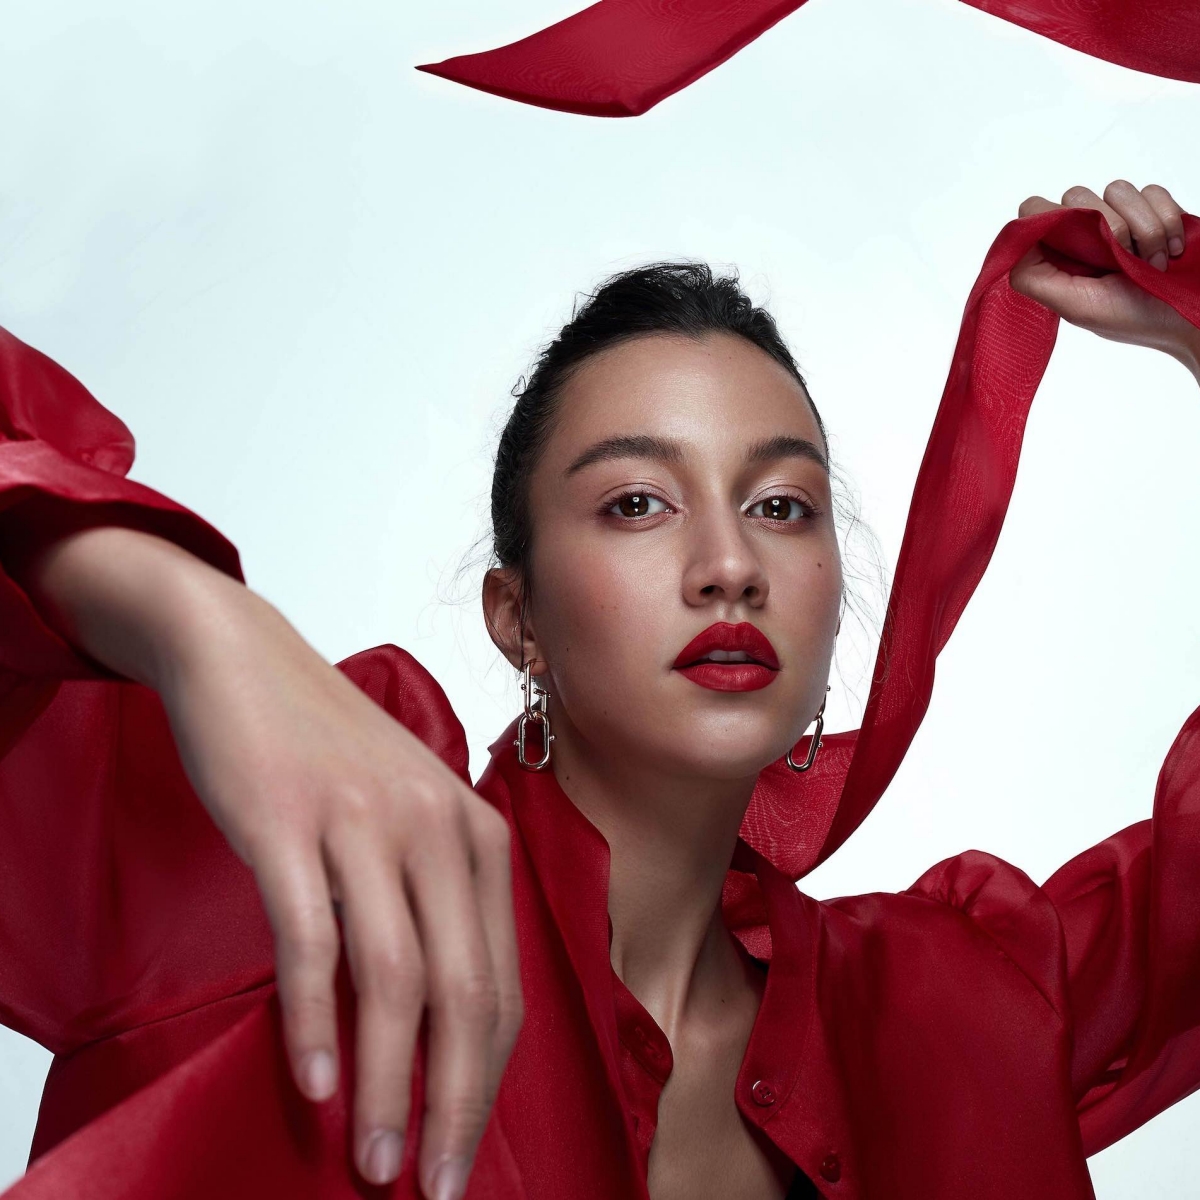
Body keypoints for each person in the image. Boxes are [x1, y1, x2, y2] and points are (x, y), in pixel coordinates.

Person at [0, 179, 1197, 1200]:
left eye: (782, 507)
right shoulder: (301, 882)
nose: (730, 565)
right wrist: (195, 618)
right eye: (636, 503)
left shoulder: (953, 1006)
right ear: (516, 620)